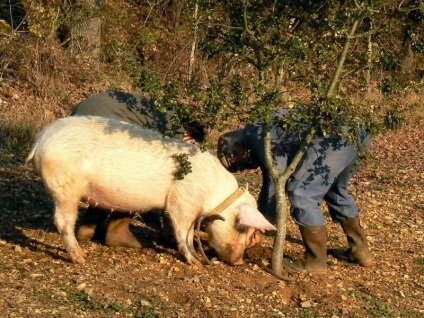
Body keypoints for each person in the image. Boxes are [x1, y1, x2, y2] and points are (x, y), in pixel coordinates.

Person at [217, 108, 374, 274]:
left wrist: (262, 222)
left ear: (236, 148)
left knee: (301, 193)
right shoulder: (258, 128)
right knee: (335, 190)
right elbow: (271, 178)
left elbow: (276, 176)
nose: (243, 168)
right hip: (358, 133)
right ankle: (361, 252)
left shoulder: (257, 136)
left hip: (336, 137)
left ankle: (315, 262)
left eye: (236, 163)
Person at [71, 90, 206, 248]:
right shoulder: (175, 131)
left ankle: (88, 227)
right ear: (190, 134)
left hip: (81, 118)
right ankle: (117, 231)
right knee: (133, 175)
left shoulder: (166, 115)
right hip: (98, 122)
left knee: (110, 176)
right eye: (192, 145)